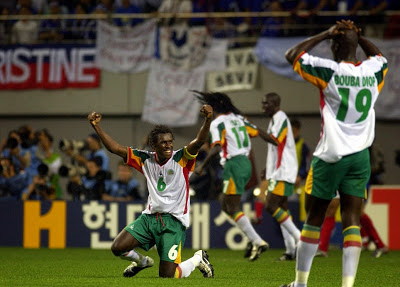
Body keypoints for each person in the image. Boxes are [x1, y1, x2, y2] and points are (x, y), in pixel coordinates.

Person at [282, 19, 388, 287]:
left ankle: (301, 284)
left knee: (315, 217)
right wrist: (359, 36)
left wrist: (326, 33)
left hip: (331, 155)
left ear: (335, 46)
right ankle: (347, 285)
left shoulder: (329, 71)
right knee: (352, 219)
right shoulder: (373, 71)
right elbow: (380, 57)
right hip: (360, 156)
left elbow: (292, 55)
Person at [87, 105, 215, 278]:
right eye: (163, 142)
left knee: (168, 275)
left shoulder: (182, 158)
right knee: (118, 248)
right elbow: (115, 148)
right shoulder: (144, 159)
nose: (168, 145)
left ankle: (197, 259)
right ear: (153, 145)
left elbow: (199, 141)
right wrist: (96, 126)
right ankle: (142, 262)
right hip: (149, 218)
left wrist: (207, 119)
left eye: (170, 141)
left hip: (173, 223)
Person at [193, 91, 277, 262]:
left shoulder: (218, 123)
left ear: (214, 107)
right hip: (246, 164)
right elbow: (260, 132)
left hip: (234, 164)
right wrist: (278, 143)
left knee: (230, 207)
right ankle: (251, 238)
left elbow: (216, 147)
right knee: (226, 204)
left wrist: (202, 166)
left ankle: (257, 241)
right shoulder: (239, 119)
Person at [261, 92, 300, 262]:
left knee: (271, 205)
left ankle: (300, 239)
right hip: (278, 170)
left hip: (283, 171)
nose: (263, 106)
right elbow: (276, 148)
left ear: (275, 104)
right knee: (282, 209)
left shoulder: (281, 117)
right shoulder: (275, 119)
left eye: (266, 103)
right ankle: (290, 250)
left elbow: (276, 140)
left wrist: (256, 131)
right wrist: (267, 168)